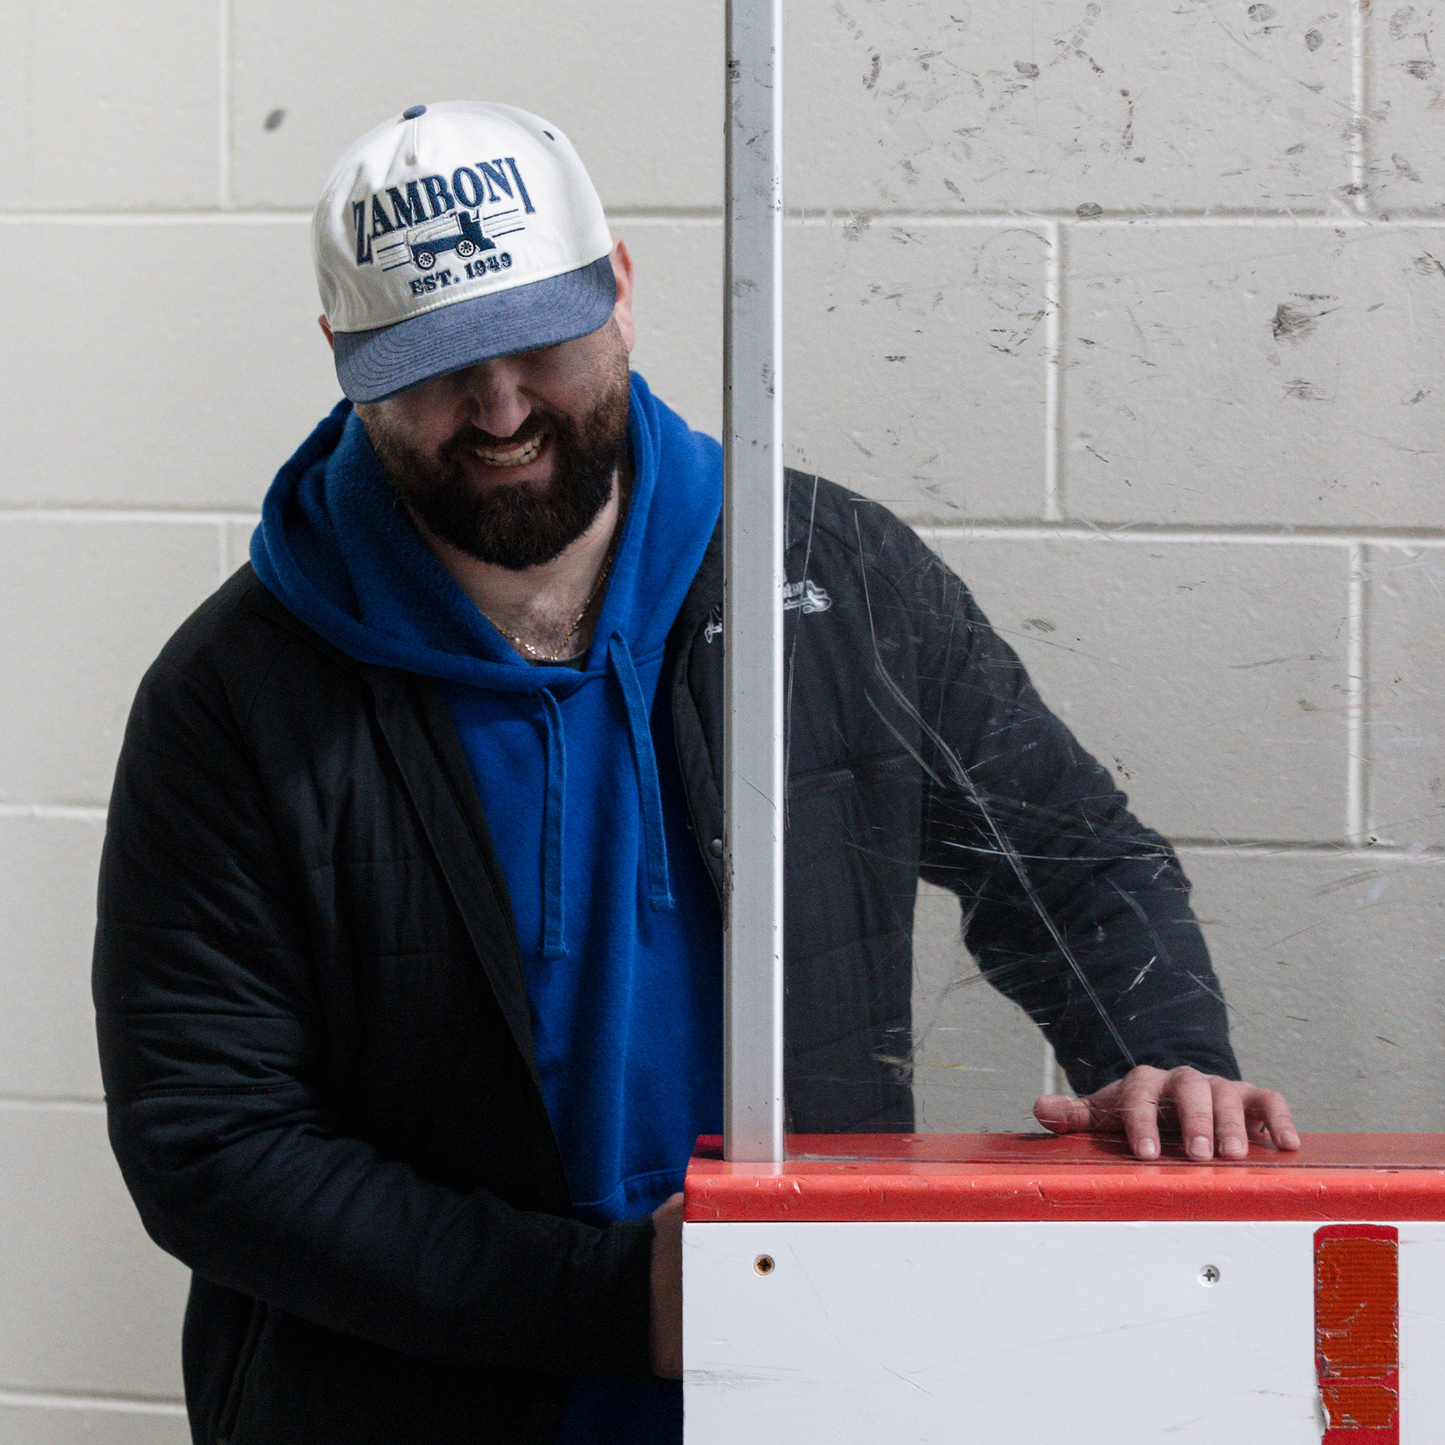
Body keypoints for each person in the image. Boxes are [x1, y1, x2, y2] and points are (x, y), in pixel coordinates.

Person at [93, 102, 1298, 1445]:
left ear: (618, 286)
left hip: (799, 1388)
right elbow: (212, 1146)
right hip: (405, 1404)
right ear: (342, 361)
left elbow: (1073, 856)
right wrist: (620, 1302)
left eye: (537, 343)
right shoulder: (234, 697)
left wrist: (1157, 1053)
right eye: (435, 369)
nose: (499, 411)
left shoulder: (833, 577)